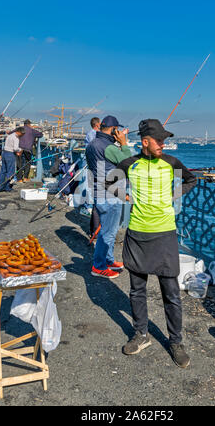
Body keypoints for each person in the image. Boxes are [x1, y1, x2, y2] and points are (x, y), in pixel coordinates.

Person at [115, 119, 197, 367]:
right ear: (145, 142)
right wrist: (126, 196)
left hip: (164, 234)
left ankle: (175, 341)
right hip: (137, 233)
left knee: (170, 293)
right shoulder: (130, 164)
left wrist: (172, 196)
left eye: (164, 140)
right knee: (136, 290)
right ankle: (141, 334)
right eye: (159, 140)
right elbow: (107, 182)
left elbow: (191, 180)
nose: (163, 144)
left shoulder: (171, 163)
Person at [85, 115, 132, 279]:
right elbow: (129, 163)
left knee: (107, 228)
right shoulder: (109, 147)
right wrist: (124, 144)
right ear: (113, 130)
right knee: (108, 232)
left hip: (99, 190)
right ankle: (98, 266)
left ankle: (109, 260)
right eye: (116, 130)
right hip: (111, 193)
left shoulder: (92, 144)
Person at [0, 127, 25, 192]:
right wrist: (21, 149)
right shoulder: (16, 138)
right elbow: (15, 148)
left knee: (3, 171)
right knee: (10, 172)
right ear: (19, 132)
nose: (22, 135)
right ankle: (8, 187)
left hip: (4, 153)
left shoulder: (10, 135)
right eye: (22, 134)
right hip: (10, 154)